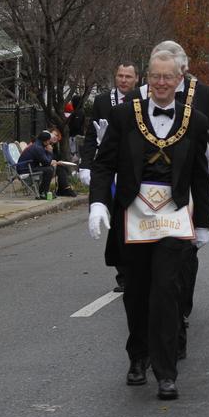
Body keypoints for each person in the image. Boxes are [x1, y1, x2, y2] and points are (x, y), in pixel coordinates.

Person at [87, 49, 209, 400]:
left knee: (166, 293)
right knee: (137, 293)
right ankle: (138, 356)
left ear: (179, 80)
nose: (161, 83)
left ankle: (166, 371)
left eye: (167, 77)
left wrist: (203, 222)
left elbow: (200, 176)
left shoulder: (196, 121)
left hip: (172, 218)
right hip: (133, 216)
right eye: (155, 76)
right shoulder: (124, 115)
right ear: (147, 79)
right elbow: (104, 164)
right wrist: (98, 203)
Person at [142, 41, 209, 360]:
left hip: (190, 190)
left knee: (183, 258)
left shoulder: (207, 98)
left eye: (172, 73)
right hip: (146, 196)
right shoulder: (142, 97)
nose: (164, 81)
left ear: (182, 70)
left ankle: (180, 314)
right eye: (158, 73)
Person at [79, 62, 141, 292]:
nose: (123, 80)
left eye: (128, 76)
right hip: (109, 166)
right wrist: (86, 165)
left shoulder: (141, 101)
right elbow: (90, 135)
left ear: (136, 79)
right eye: (120, 75)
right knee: (116, 220)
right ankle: (123, 274)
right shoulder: (103, 101)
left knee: (130, 218)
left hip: (132, 168)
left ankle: (136, 268)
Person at [17, 130, 75, 199]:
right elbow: (46, 162)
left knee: (49, 168)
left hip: (28, 167)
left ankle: (44, 191)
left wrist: (50, 159)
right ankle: (43, 193)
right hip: (25, 170)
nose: (49, 143)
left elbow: (45, 160)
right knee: (49, 170)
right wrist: (50, 152)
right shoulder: (38, 148)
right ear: (46, 141)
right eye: (48, 141)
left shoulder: (37, 145)